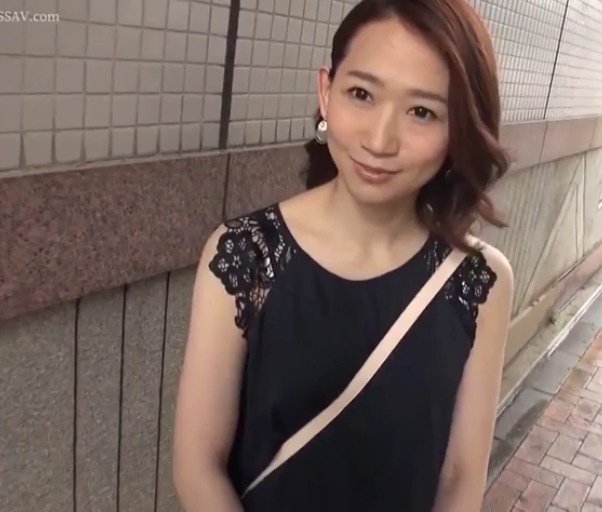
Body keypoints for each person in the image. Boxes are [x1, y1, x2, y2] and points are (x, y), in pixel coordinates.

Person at [171, 0, 514, 510]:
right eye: (362, 94)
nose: (380, 140)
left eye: (422, 112)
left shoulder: (479, 282)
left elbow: (460, 479)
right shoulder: (245, 255)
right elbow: (197, 464)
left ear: (459, 129)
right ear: (325, 92)